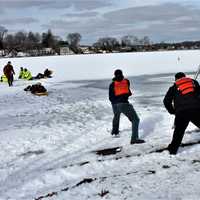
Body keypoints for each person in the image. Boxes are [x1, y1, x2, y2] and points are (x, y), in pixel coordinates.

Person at [163, 72, 200, 154]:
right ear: (184, 77)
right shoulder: (193, 82)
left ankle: (173, 150)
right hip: (196, 109)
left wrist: (172, 111)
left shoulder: (174, 87)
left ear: (176, 79)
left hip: (181, 112)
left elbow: (166, 101)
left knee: (178, 132)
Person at [109, 69, 145, 144]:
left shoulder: (112, 84)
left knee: (116, 115)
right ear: (122, 74)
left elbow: (111, 97)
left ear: (114, 75)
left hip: (115, 104)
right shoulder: (126, 81)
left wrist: (115, 103)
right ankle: (134, 139)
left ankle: (115, 131)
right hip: (124, 103)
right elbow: (128, 92)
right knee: (135, 119)